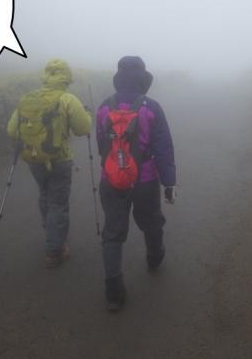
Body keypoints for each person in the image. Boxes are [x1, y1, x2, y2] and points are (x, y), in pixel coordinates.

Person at [96, 56, 177, 312]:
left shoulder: (104, 106)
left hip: (111, 180)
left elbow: (101, 145)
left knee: (112, 233)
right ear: (143, 79)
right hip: (145, 180)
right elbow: (163, 148)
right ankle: (155, 257)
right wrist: (169, 183)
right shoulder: (151, 107)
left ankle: (113, 292)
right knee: (151, 221)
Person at [7, 59, 92, 268]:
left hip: (34, 158)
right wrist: (88, 115)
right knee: (58, 203)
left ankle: (51, 232)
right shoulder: (68, 99)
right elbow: (83, 129)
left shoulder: (29, 98)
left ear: (45, 76)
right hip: (60, 159)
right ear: (66, 77)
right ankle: (55, 251)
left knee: (44, 194)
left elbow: (11, 130)